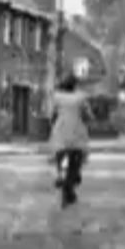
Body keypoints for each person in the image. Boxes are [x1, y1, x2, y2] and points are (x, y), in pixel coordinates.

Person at [48, 74, 92, 207]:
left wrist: (54, 122)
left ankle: (61, 174)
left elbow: (52, 115)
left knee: (59, 153)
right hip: (77, 132)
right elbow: (87, 115)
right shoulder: (81, 98)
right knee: (78, 155)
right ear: (75, 86)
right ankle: (73, 178)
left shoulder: (56, 97)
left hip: (61, 132)